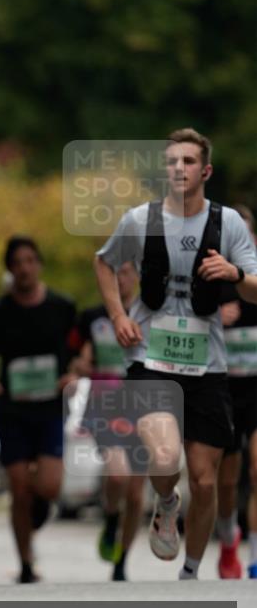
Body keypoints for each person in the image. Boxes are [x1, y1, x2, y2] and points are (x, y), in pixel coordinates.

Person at [95, 128, 257, 580]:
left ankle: (190, 571)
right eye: (171, 162)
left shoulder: (229, 225)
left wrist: (234, 272)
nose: (179, 169)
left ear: (204, 170)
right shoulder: (140, 219)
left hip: (208, 365)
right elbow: (104, 262)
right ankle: (166, 500)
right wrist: (118, 315)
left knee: (205, 479)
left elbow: (255, 288)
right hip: (149, 357)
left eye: (188, 162)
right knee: (165, 457)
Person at [0, 236, 76, 583]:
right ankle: (27, 562)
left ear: (39, 264)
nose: (25, 268)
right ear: (10, 269)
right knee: (18, 487)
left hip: (49, 409)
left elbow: (80, 352)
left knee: (48, 487)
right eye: (18, 262)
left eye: (31, 260)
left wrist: (73, 375)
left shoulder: (62, 307)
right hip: (13, 410)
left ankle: (39, 504)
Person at [71, 262, 147, 581]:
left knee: (136, 494)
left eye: (128, 272)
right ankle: (111, 519)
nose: (121, 279)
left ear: (138, 277)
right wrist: (79, 372)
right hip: (105, 406)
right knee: (118, 476)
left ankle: (122, 561)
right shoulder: (93, 317)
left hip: (145, 407)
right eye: (115, 272)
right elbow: (79, 360)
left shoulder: (151, 316)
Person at [216, 205, 257, 578]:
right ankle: (229, 539)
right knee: (227, 481)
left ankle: (256, 556)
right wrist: (211, 314)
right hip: (223, 391)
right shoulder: (213, 278)